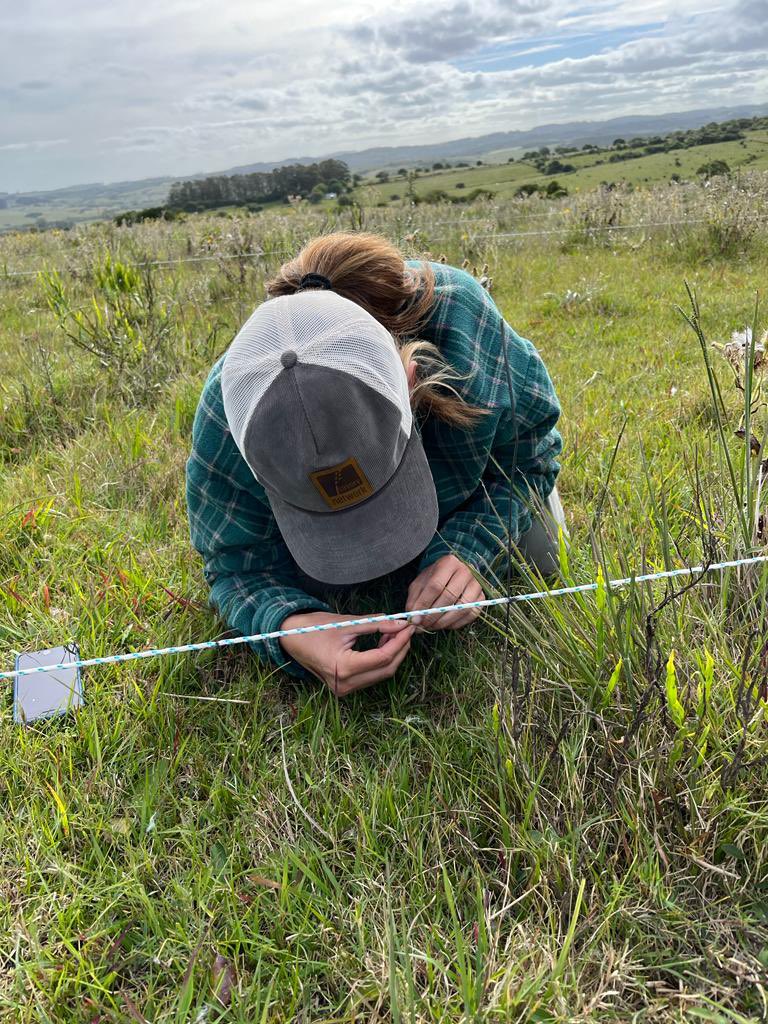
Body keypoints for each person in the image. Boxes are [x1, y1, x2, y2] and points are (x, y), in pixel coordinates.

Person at [186, 232, 564, 696]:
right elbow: (234, 566)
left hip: (466, 500)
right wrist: (292, 627)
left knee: (543, 554)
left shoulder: (463, 320)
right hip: (305, 567)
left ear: (411, 379)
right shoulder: (227, 414)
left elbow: (531, 457)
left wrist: (472, 549)